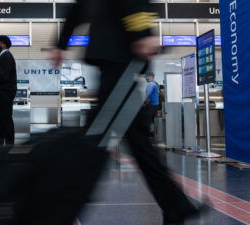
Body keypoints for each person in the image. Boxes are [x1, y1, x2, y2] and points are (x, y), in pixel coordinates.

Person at [49, 0, 204, 224]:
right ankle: (176, 206)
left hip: (115, 58)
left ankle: (176, 206)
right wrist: (143, 32)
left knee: (111, 140)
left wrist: (61, 43)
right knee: (108, 142)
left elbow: (78, 7)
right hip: (120, 55)